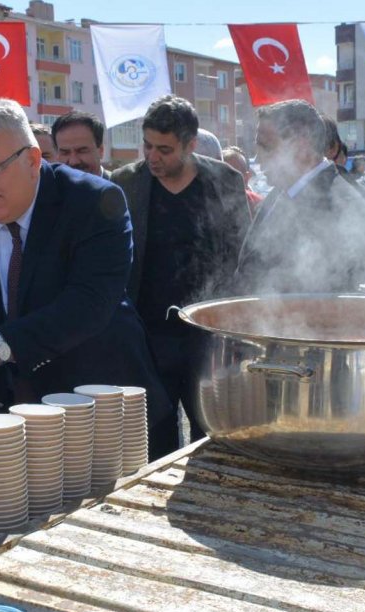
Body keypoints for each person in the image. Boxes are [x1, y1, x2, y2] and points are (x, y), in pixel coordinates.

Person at [0, 98, 168, 454]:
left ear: (33, 160)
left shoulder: (94, 202)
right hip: (9, 415)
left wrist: (0, 344)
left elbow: (90, 303)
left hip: (100, 401)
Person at [110, 95, 248, 456]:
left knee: (213, 433)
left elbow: (240, 255)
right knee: (154, 437)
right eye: (148, 146)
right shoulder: (126, 183)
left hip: (207, 335)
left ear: (191, 145)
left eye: (165, 150)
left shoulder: (224, 180)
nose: (153, 157)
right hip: (148, 335)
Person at [237, 99, 365, 294]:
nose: (258, 159)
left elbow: (334, 298)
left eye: (266, 147)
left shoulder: (341, 205)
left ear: (301, 145)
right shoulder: (279, 192)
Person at [51, 110, 109, 178]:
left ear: (101, 151)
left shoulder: (120, 185)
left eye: (81, 151)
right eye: (65, 153)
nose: (73, 161)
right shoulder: (49, 187)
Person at [221, 145, 263, 215]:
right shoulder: (206, 205)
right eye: (222, 174)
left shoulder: (259, 206)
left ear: (246, 177)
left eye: (231, 175)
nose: (225, 182)